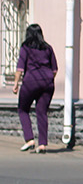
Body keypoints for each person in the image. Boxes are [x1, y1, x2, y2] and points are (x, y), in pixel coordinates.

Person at [14, 23, 59, 153]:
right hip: (48, 82)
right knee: (42, 112)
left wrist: (16, 83)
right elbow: (55, 69)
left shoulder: (26, 47)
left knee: (23, 109)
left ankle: (29, 139)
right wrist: (48, 80)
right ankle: (43, 144)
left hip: (30, 82)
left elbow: (20, 68)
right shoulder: (48, 48)